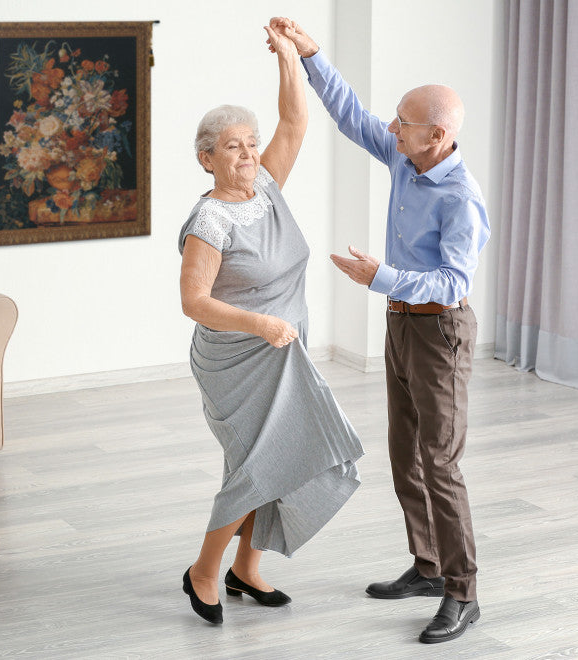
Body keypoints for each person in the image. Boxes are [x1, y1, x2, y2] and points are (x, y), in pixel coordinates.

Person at [270, 18, 491, 645]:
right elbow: (352, 116)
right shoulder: (404, 152)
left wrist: (381, 276)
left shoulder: (461, 199)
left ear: (438, 136)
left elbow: (452, 283)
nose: (391, 129)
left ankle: (462, 592)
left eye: (405, 122)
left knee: (440, 465)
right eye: (396, 120)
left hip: (440, 332)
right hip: (401, 325)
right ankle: (427, 567)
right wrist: (311, 56)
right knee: (405, 458)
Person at [177, 23, 364, 626]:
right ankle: (204, 572)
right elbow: (194, 302)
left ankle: (246, 569)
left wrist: (289, 57)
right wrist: (258, 324)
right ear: (206, 158)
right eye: (233, 146)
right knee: (255, 465)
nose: (249, 153)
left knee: (282, 457)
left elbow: (294, 123)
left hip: (288, 349)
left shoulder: (268, 188)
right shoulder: (210, 222)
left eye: (251, 143)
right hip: (238, 358)